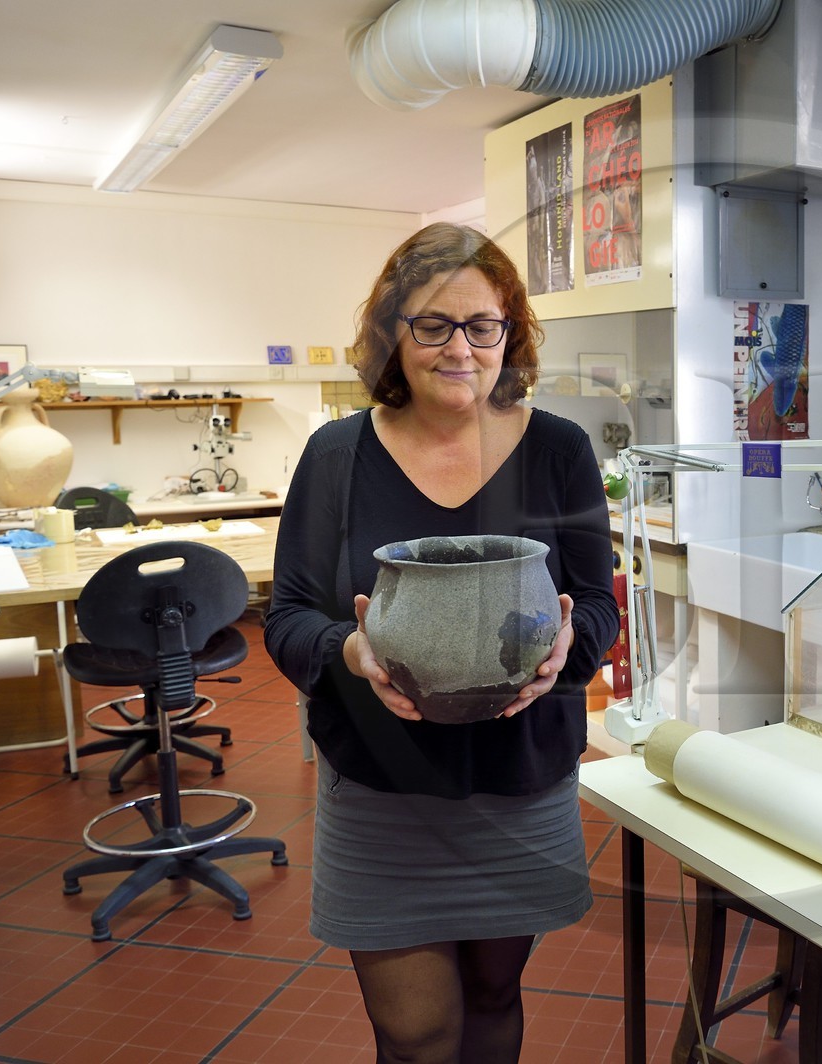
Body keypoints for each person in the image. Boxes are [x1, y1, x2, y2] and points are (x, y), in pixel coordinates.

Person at [264, 222, 617, 1064]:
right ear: (395, 332)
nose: (459, 348)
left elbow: (599, 603)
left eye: (481, 325)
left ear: (508, 334)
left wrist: (569, 651)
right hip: (382, 788)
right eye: (432, 324)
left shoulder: (558, 450)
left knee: (495, 998)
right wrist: (349, 653)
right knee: (417, 1035)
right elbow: (288, 617)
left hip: (519, 782)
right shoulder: (337, 456)